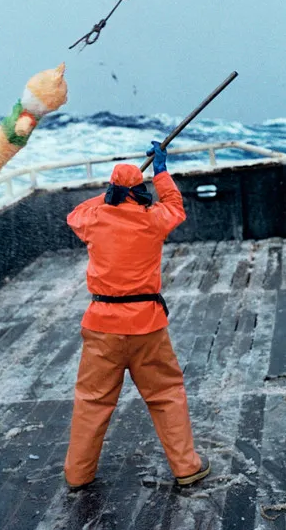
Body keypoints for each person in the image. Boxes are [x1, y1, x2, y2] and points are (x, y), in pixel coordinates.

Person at [63, 141, 210, 490]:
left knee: (92, 402)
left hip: (102, 326)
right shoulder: (153, 219)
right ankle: (187, 468)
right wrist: (160, 173)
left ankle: (78, 474)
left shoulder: (95, 218)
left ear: (112, 190)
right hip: (148, 325)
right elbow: (175, 206)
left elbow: (75, 215)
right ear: (139, 191)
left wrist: (110, 196)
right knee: (166, 395)